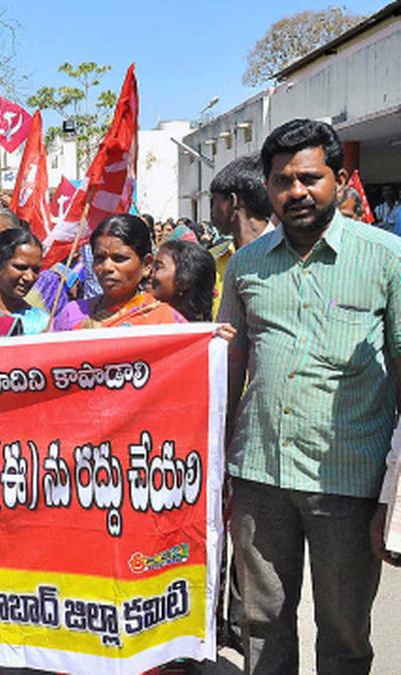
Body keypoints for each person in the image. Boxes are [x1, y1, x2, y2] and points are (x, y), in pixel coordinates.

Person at [220, 119, 401, 674]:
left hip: (348, 480)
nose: (295, 191)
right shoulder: (247, 265)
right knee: (262, 625)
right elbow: (227, 366)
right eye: (281, 180)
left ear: (339, 179)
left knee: (344, 632)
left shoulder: (387, 258)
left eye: (308, 177)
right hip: (258, 476)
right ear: (267, 187)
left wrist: (396, 486)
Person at [52, 214, 186, 331]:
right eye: (99, 258)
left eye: (119, 258)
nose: (107, 267)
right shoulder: (72, 314)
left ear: (146, 264)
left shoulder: (165, 322)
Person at [209, 155, 275, 318]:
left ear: (232, 201)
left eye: (214, 202)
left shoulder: (289, 254)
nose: (211, 212)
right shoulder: (212, 260)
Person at [149, 239, 217, 323]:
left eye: (158, 267)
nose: (147, 272)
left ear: (185, 281)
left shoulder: (201, 333)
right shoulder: (140, 319)